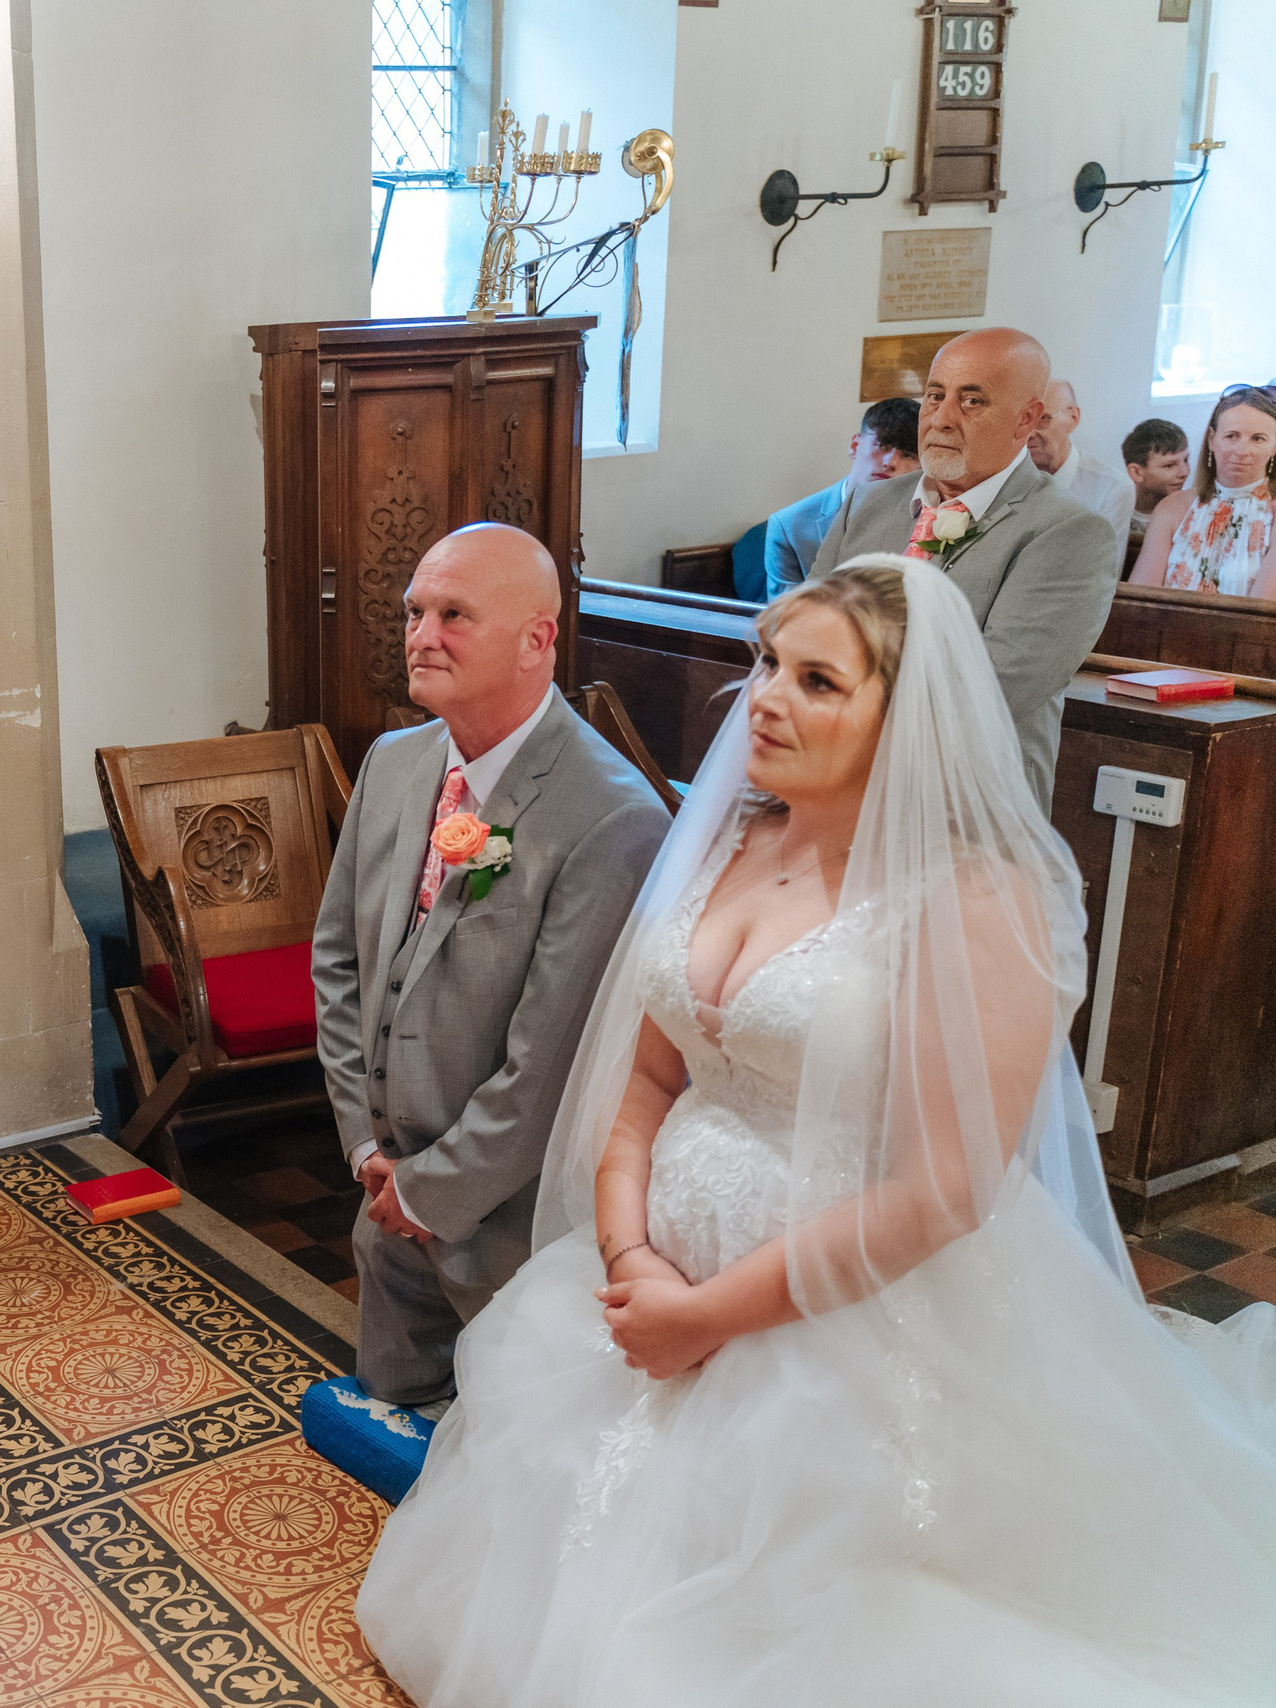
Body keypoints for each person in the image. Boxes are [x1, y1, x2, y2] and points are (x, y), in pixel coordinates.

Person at [355, 555, 1276, 1706]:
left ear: (907, 719)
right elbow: (646, 1079)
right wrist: (633, 1256)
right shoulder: (733, 839)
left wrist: (708, 1313)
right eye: (766, 665)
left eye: (818, 681)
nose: (766, 700)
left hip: (857, 1315)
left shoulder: (977, 899)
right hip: (647, 1286)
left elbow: (945, 1189)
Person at [311, 523, 671, 1410]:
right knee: (387, 1459)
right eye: (415, 612)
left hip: (513, 1231)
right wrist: (366, 1147)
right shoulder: (394, 765)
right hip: (384, 1200)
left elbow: (550, 1064)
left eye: (455, 614)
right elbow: (339, 965)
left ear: (537, 639)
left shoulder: (609, 817)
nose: (422, 634)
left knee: (506, 1466)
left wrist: (433, 1190)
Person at [809, 327, 1116, 809]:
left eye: (972, 401)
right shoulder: (868, 504)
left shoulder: (1068, 532)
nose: (942, 419)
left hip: (964, 806)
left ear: (1026, 419)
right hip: (834, 784)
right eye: (935, 395)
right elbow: (807, 632)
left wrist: (837, 708)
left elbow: (995, 685)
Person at [758, 396, 918, 600]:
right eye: (882, 446)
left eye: (907, 455)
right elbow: (784, 617)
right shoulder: (788, 526)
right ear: (855, 446)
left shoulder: (923, 518)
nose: (890, 462)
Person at [1129, 385, 1276, 601]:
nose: (1242, 450)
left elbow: (1262, 614)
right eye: (1232, 436)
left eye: (1258, 439)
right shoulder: (1172, 508)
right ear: (1211, 440)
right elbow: (1139, 599)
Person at [1026, 378, 1137, 562]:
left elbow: (1104, 574)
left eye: (1042, 419)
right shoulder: (1005, 477)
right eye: (1024, 421)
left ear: (1073, 419)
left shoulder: (1111, 488)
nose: (1029, 434)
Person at [1120, 416, 1191, 557]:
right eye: (1169, 465)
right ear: (1136, 472)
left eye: (1186, 460)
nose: (1184, 472)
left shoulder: (1191, 511)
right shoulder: (1113, 508)